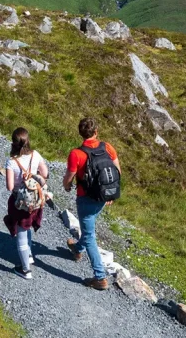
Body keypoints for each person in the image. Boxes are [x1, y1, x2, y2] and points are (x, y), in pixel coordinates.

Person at [63, 117, 120, 290]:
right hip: (104, 197)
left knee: (89, 236)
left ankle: (100, 277)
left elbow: (69, 177)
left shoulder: (76, 153)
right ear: (96, 132)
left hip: (86, 199)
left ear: (81, 133)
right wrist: (110, 191)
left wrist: (66, 186)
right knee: (89, 228)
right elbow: (117, 170)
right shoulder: (108, 147)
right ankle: (77, 249)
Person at [3, 127, 48, 279]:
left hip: (20, 201)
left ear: (13, 143)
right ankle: (29, 255)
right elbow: (46, 173)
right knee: (27, 227)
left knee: (21, 232)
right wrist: (33, 175)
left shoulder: (11, 162)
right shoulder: (35, 155)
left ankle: (25, 270)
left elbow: (9, 187)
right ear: (27, 141)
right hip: (35, 199)